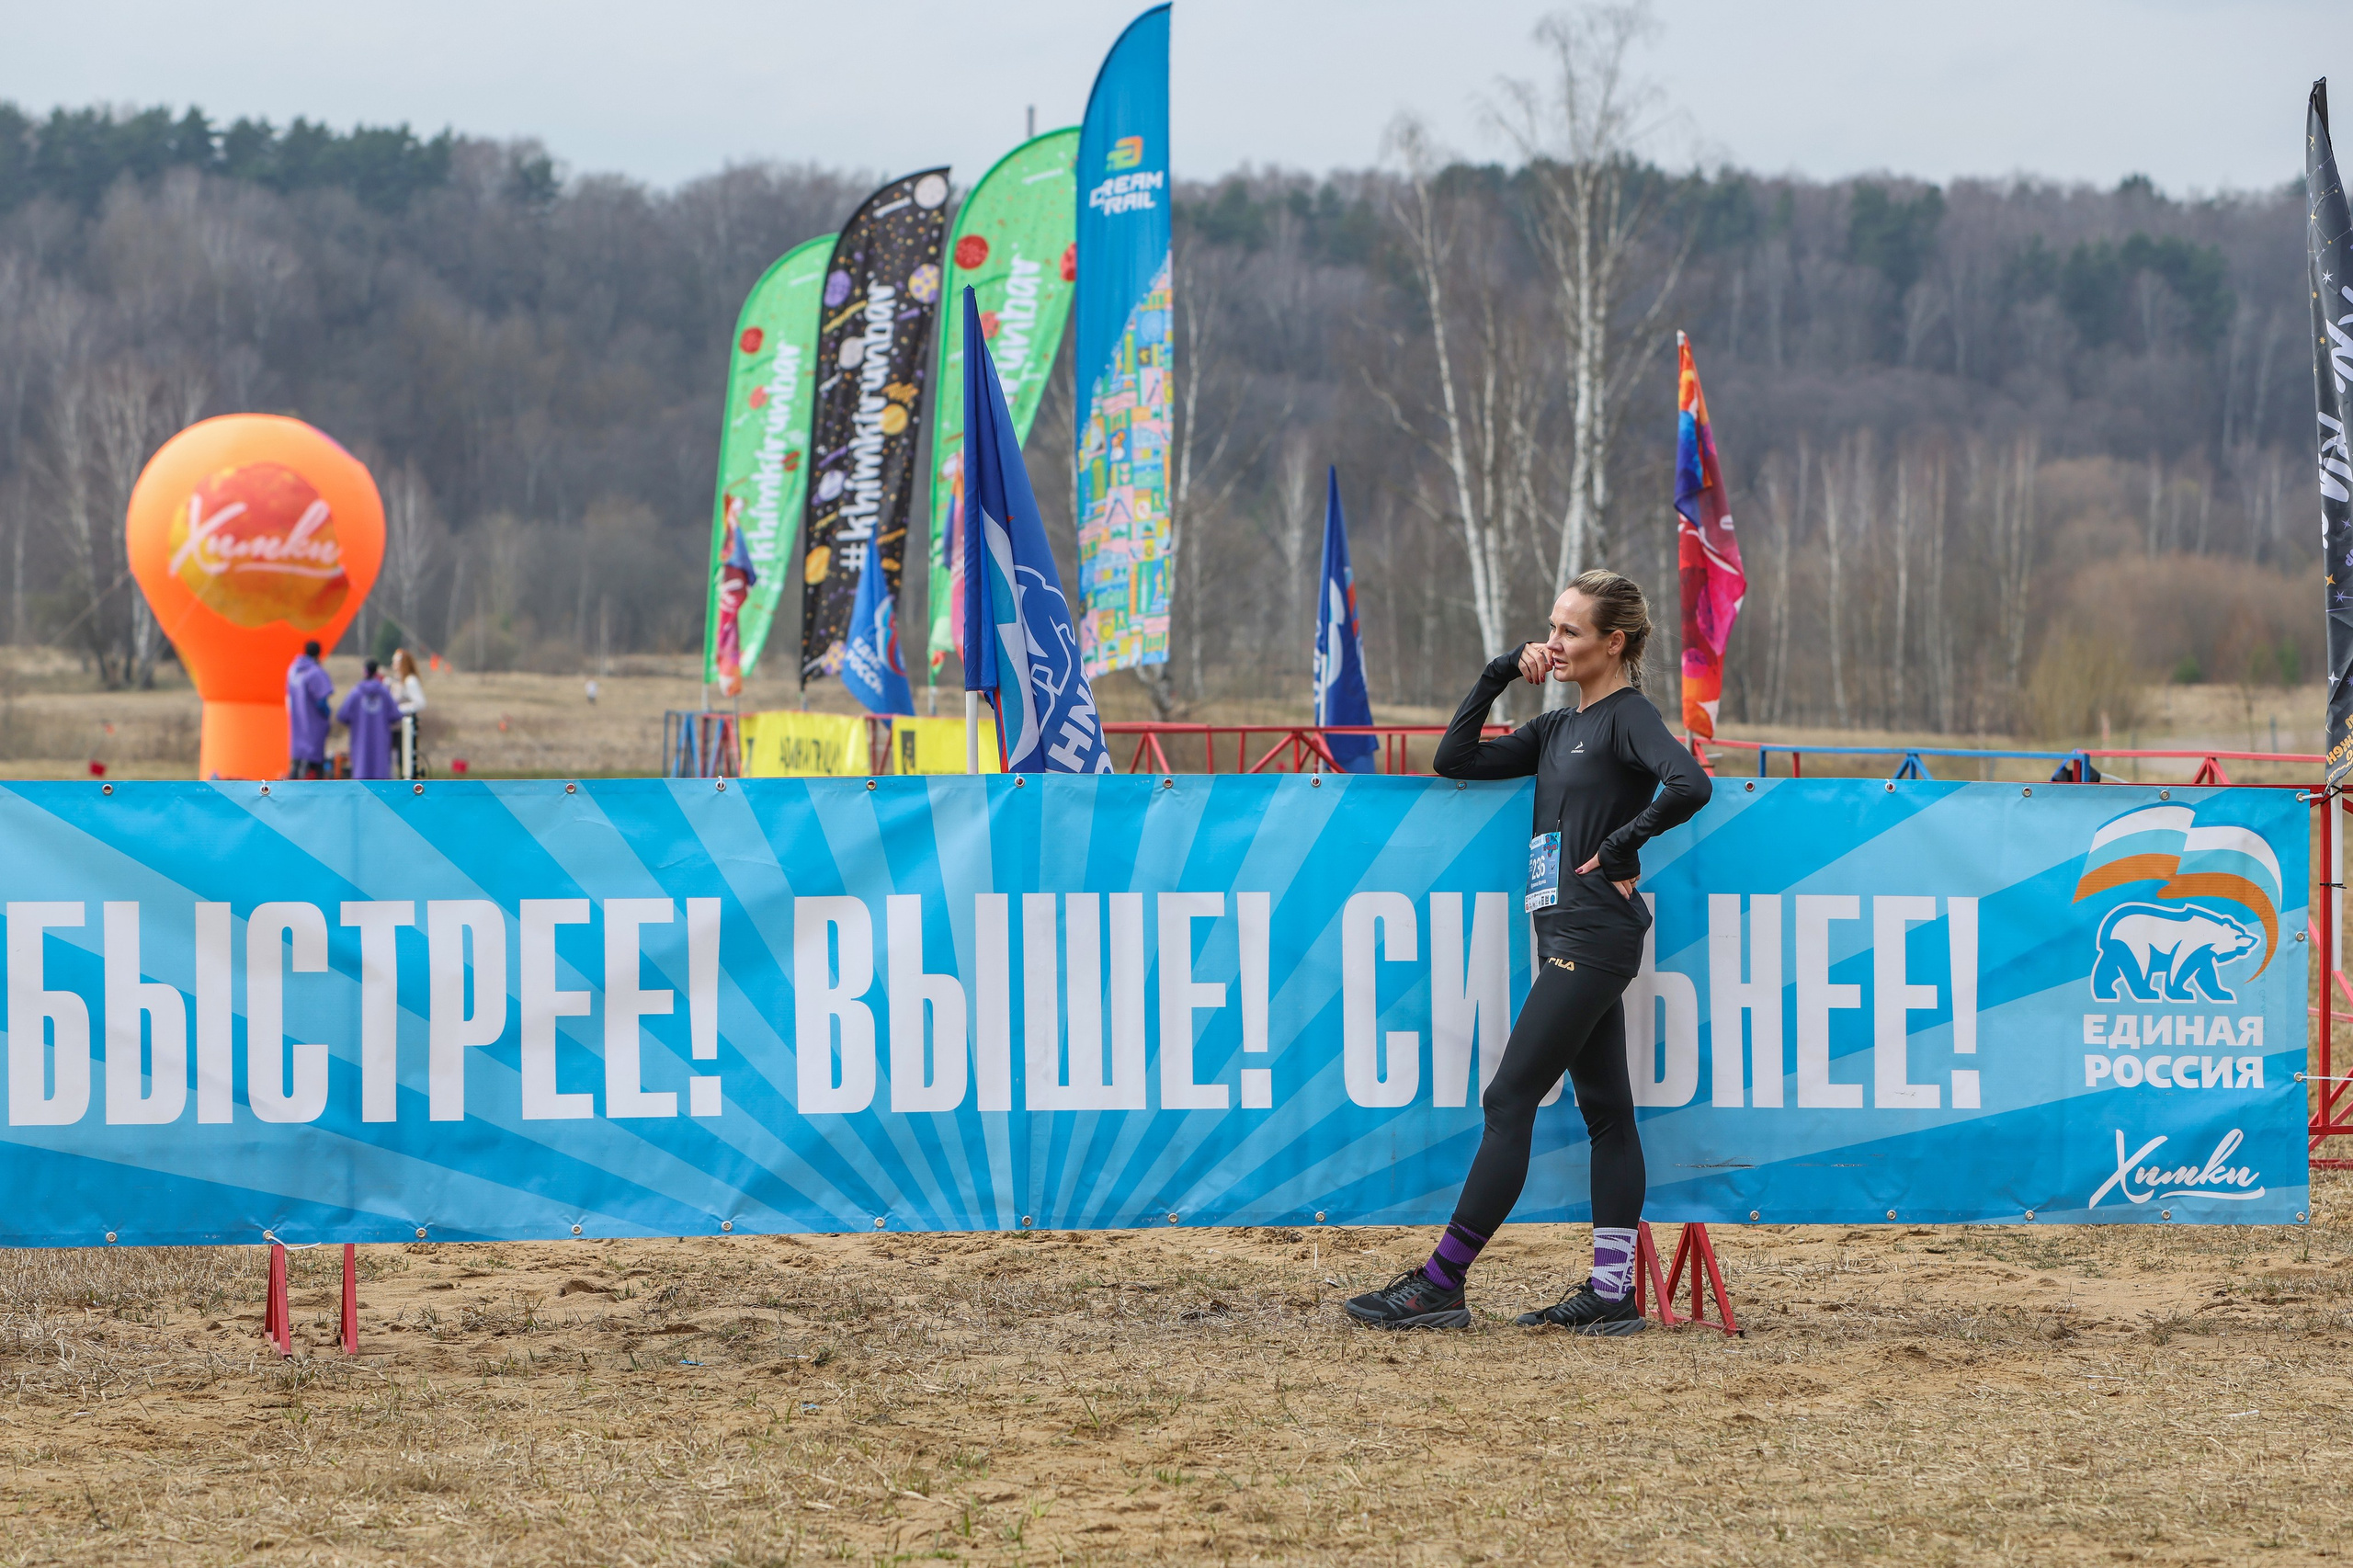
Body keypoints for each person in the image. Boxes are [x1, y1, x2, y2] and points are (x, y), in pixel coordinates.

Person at [1346, 569, 1712, 1336]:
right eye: (1552, 627)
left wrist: (1619, 847)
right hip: (1564, 936)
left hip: (1593, 938)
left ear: (1615, 642)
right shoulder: (1553, 729)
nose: (1555, 642)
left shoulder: (1627, 716)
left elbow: (1689, 783)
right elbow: (1454, 759)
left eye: (1571, 631)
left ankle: (1442, 1282)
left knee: (1508, 1101)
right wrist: (1499, 672)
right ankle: (1612, 1293)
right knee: (1608, 1112)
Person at [336, 659, 398, 780]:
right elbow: (395, 715)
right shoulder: (384, 693)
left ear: (364, 672)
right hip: (381, 748)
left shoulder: (356, 693)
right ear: (376, 672)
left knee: (362, 782)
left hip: (360, 746)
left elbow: (342, 715)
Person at [286, 640, 334, 779]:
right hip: (313, 725)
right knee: (314, 765)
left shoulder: (293, 670)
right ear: (319, 653)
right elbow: (321, 701)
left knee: (296, 763)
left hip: (297, 726)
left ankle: (290, 793)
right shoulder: (315, 672)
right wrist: (327, 714)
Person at [390, 649, 427, 778]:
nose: (393, 665)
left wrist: (398, 709)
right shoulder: (398, 681)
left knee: (405, 761)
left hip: (405, 728)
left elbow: (420, 703)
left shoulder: (410, 681)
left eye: (395, 662)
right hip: (396, 728)